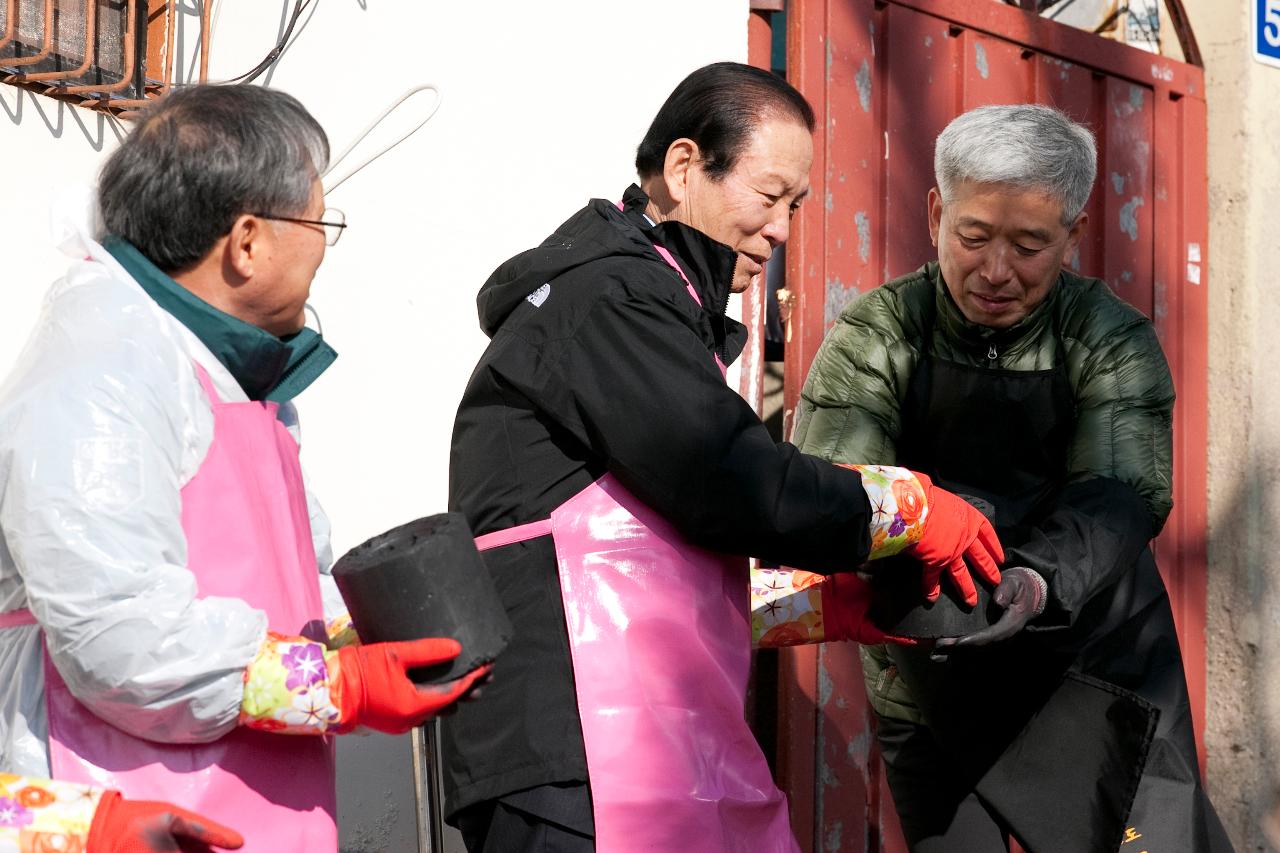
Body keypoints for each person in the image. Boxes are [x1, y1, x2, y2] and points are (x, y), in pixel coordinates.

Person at [444, 62, 1004, 853]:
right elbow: (736, 482)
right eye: (770, 196)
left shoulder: (655, 307)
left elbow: (654, 560)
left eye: (796, 206)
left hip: (654, 744)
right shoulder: (610, 297)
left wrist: (821, 606)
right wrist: (905, 504)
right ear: (682, 169)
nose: (782, 229)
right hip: (573, 756)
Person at [0, 85, 487, 853]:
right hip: (121, 796)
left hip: (250, 796)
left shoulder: (229, 371)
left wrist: (368, 635)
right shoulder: (103, 360)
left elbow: (290, 579)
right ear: (248, 241)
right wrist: (338, 685)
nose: (325, 247)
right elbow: (119, 636)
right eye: (322, 223)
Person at [793, 103, 1232, 852]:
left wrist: (1032, 579)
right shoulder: (878, 335)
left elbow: (1122, 493)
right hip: (925, 678)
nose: (996, 271)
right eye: (972, 235)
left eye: (1030, 244)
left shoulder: (1108, 337)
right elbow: (839, 492)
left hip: (1091, 667)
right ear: (936, 210)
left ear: (1074, 232)